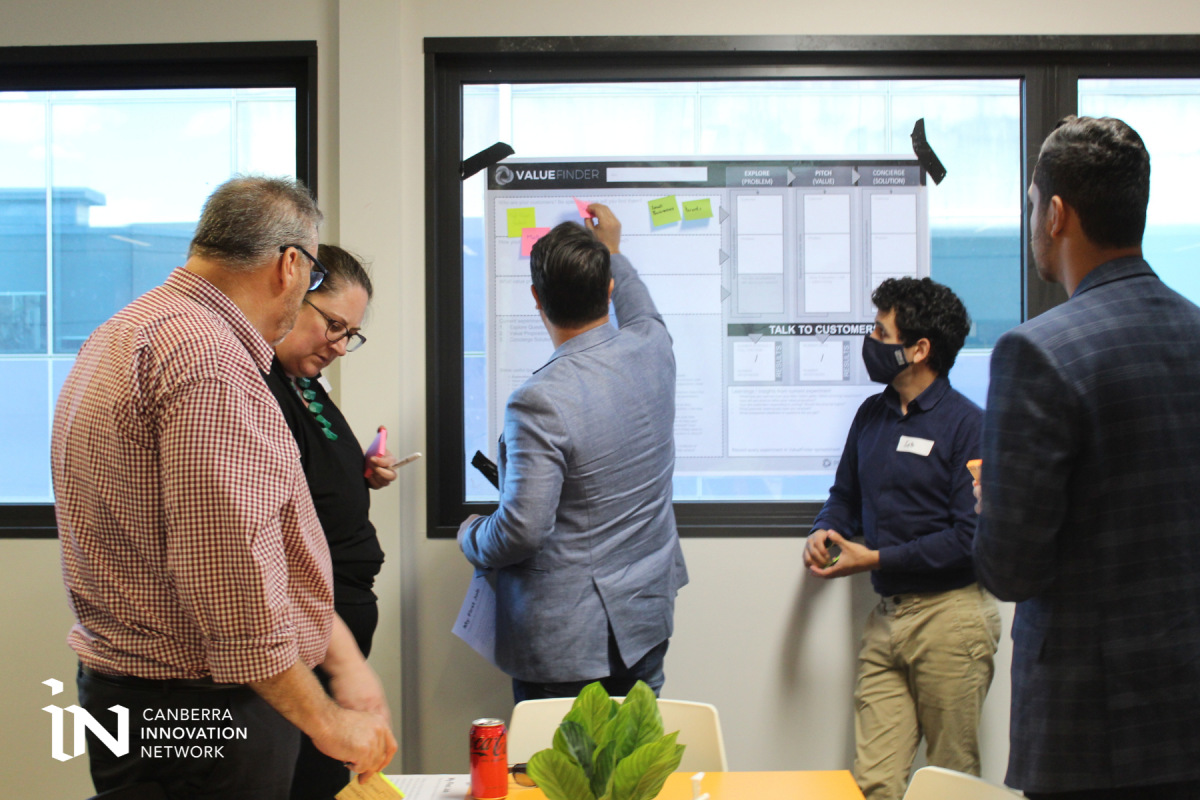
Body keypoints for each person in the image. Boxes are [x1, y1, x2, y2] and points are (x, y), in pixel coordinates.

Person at [51, 176, 396, 800]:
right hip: (203, 706)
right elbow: (231, 579)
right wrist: (326, 720)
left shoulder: (126, 329)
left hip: (126, 689)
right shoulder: (212, 363)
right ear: (290, 264)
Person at [973, 116, 1200, 799]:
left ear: (1058, 214)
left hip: (1091, 731)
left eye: (1033, 205)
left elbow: (1010, 568)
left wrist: (994, 501)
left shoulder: (1038, 351)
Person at [456, 204, 688, 703]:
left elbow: (521, 530)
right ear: (607, 288)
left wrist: (472, 535)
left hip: (567, 647)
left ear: (536, 299)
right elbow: (642, 307)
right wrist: (613, 250)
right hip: (645, 617)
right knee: (634, 771)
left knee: (555, 781)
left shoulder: (539, 399)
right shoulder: (654, 347)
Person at [803, 277, 999, 800]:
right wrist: (825, 527)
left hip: (951, 618)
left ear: (919, 349)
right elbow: (843, 495)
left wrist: (874, 557)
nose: (870, 339)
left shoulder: (969, 427)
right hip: (888, 619)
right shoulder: (872, 414)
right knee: (872, 784)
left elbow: (968, 538)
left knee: (951, 780)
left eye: (879, 330)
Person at [263, 244, 401, 800]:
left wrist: (357, 471)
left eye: (351, 335)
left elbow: (308, 478)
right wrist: (342, 662)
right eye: (334, 326)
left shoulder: (302, 380)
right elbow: (272, 539)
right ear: (295, 294)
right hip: (308, 636)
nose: (341, 346)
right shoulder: (256, 386)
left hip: (337, 620)